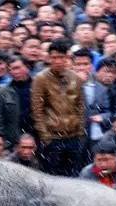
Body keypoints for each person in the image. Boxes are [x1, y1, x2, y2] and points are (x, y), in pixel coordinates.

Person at [31, 39, 85, 176]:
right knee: (52, 177)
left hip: (73, 137)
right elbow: (37, 110)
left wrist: (80, 132)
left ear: (67, 58)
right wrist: (45, 136)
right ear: (49, 58)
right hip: (53, 137)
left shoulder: (76, 79)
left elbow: (81, 107)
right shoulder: (41, 79)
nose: (58, 61)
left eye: (61, 57)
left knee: (72, 176)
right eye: (54, 57)